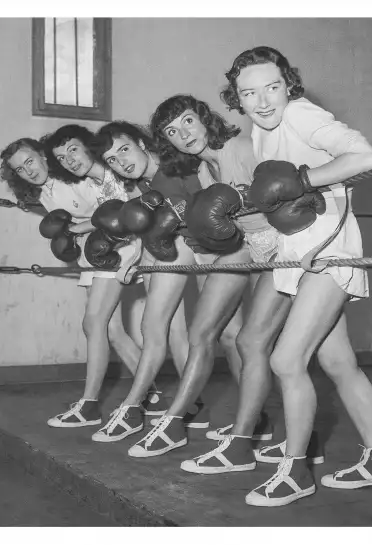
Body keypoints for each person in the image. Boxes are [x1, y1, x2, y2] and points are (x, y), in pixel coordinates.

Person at [185, 46, 372, 507]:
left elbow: (364, 157)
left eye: (272, 87)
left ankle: (296, 470)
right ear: (236, 98)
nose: (263, 101)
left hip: (329, 255)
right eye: (249, 93)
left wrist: (306, 180)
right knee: (338, 363)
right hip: (300, 257)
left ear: (288, 84)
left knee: (286, 360)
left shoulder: (302, 114)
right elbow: (278, 203)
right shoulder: (263, 132)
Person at [125, 95, 280, 458]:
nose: (184, 134)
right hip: (243, 246)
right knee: (202, 331)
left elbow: (286, 191)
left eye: (188, 122)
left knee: (264, 347)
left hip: (279, 248)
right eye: (173, 131)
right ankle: (177, 421)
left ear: (204, 118)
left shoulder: (242, 147)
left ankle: (275, 432)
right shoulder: (205, 169)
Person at [89, 120, 256, 441]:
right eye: (112, 159)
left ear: (142, 142)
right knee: (174, 329)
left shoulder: (179, 167)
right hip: (190, 252)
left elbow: (215, 204)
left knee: (233, 336)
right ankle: (135, 407)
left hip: (220, 251)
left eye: (124, 149)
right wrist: (134, 255)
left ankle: (252, 421)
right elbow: (155, 224)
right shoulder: (144, 185)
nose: (121, 162)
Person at [0, 129, 159, 429]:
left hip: (114, 250)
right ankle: (153, 393)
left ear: (43, 156)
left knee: (93, 323)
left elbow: (110, 211)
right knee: (111, 331)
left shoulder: (72, 179)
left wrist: (75, 229)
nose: (28, 170)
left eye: (30, 161)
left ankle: (89, 404)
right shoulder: (45, 192)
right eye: (20, 168)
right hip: (94, 256)